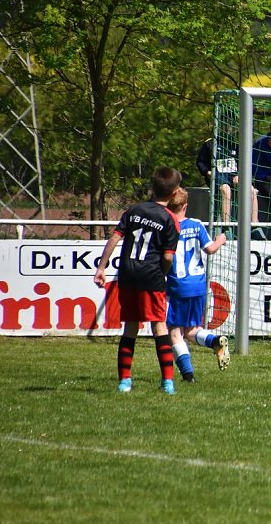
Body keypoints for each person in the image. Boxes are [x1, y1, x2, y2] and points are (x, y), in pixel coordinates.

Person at [93, 166, 183, 395]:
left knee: (130, 328)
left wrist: (101, 268)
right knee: (159, 326)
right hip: (151, 277)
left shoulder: (133, 210)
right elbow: (167, 257)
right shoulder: (170, 219)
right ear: (174, 193)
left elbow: (115, 238)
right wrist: (162, 272)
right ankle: (168, 382)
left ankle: (124, 381)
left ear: (152, 187)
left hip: (128, 275)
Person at [165, 187, 230, 382]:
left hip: (178, 286)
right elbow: (210, 249)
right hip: (199, 286)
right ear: (185, 206)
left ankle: (188, 374)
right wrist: (220, 240)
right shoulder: (196, 224)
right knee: (191, 330)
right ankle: (215, 341)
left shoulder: (167, 227)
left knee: (175, 332)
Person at [195, 137, 260, 238]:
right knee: (226, 190)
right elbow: (200, 162)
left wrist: (239, 174)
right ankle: (226, 228)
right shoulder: (210, 144)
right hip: (218, 177)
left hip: (233, 176)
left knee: (251, 190)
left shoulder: (235, 145)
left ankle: (254, 226)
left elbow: (242, 164)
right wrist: (208, 172)